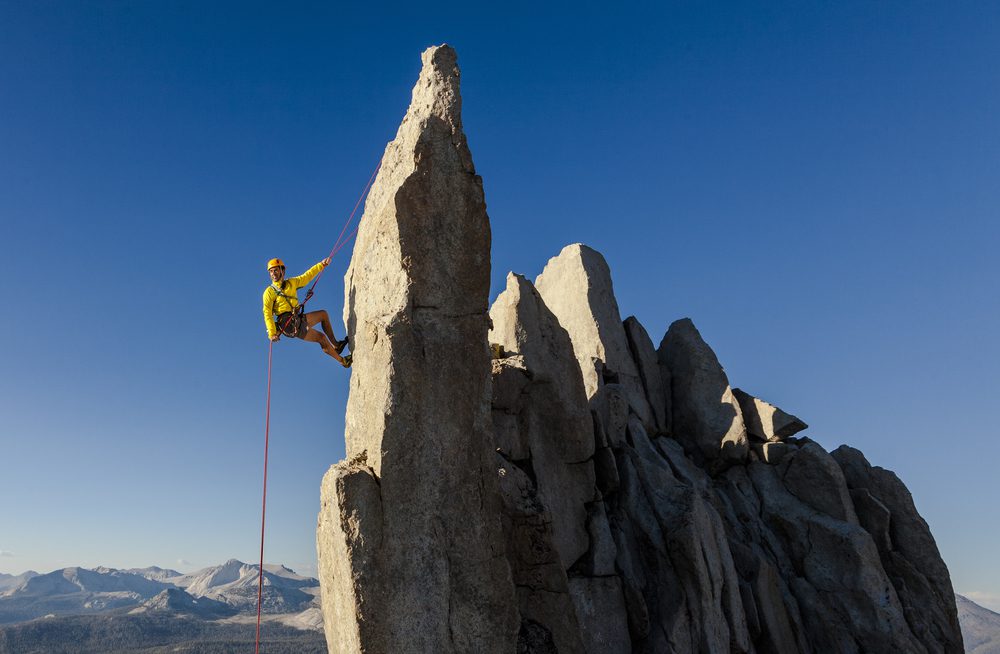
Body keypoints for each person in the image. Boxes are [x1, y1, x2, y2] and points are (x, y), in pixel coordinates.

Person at [262, 257, 351, 367]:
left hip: (296, 318)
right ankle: (343, 361)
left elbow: (306, 276)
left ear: (282, 270)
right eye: (271, 271)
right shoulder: (269, 292)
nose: (273, 273)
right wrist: (272, 333)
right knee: (321, 338)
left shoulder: (291, 283)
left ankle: (336, 345)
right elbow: (267, 313)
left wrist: (321, 265)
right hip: (288, 324)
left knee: (323, 315)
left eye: (275, 270)